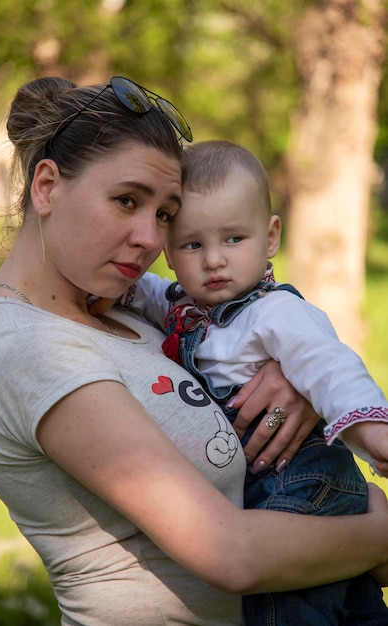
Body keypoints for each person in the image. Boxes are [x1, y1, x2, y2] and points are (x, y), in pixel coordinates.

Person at [0, 78, 388, 626]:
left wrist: (291, 379)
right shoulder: (29, 349)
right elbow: (229, 552)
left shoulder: (125, 307)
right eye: (127, 200)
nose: (150, 237)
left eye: (166, 214)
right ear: (46, 187)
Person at [117, 139, 388, 624]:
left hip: (301, 482)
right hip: (291, 485)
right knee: (355, 608)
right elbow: (145, 292)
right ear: (169, 255)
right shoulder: (183, 305)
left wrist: (373, 432)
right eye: (193, 244)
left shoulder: (275, 312)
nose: (215, 259)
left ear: (270, 238)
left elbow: (328, 365)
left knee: (281, 607)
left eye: (233, 239)